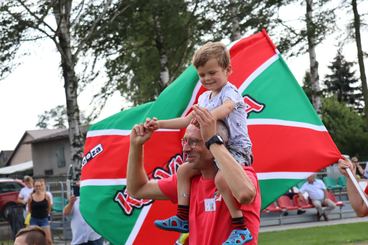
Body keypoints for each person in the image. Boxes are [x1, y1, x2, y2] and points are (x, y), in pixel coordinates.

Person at [145, 42, 253, 243]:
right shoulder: (204, 98)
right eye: (202, 75)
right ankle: (182, 217)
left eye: (212, 72)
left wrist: (207, 119)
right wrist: (159, 124)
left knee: (222, 179)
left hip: (235, 150)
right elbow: (186, 121)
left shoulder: (230, 92)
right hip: (213, 150)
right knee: (184, 170)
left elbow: (226, 109)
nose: (207, 79)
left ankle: (240, 227)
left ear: (227, 70)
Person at [127, 106, 261, 245]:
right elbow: (137, 189)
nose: (185, 149)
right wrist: (136, 146)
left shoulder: (241, 175)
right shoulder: (189, 180)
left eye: (194, 142)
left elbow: (245, 194)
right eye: (184, 141)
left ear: (217, 142)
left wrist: (212, 140)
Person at [63, 180, 103, 245]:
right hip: (79, 239)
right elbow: (65, 213)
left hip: (95, 237)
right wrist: (71, 203)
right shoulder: (74, 199)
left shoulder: (95, 196)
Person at [28, 179, 53, 245]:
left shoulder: (46, 196)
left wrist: (48, 216)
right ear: (34, 187)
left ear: (41, 186)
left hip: (44, 219)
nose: (38, 188)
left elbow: (49, 208)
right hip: (34, 219)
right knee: (34, 241)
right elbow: (29, 209)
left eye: (39, 186)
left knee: (48, 240)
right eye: (36, 186)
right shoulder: (31, 197)